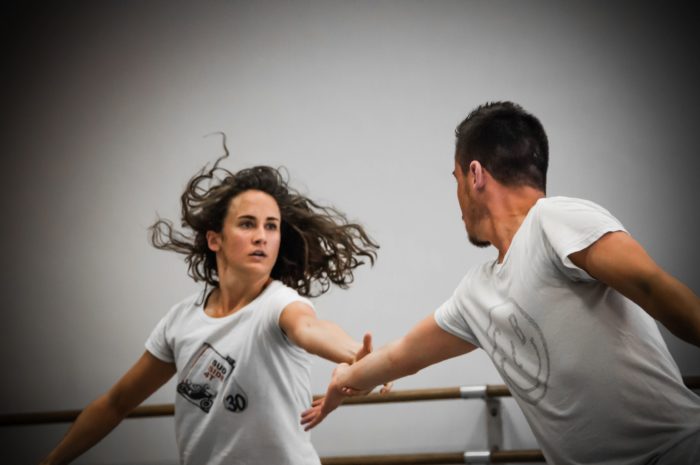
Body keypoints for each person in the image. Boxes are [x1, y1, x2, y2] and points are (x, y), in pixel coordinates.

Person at [302, 102, 700, 464]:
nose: (457, 198)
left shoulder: (554, 221)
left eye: (456, 178)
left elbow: (656, 290)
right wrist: (343, 381)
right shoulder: (476, 294)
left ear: (475, 174)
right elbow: (399, 355)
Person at [40, 140, 386, 465]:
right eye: (247, 224)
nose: (261, 237)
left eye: (271, 227)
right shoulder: (181, 321)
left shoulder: (280, 305)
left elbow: (310, 328)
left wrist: (356, 355)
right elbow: (115, 404)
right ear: (215, 239)